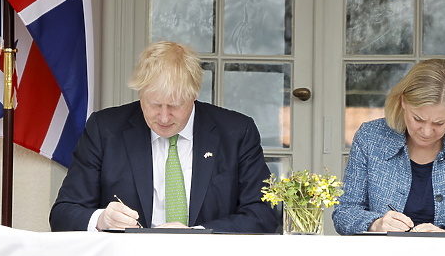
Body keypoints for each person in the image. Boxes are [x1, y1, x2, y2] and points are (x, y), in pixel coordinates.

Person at [50, 41, 278, 233]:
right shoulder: (105, 129)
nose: (164, 117)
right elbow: (63, 213)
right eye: (154, 104)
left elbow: (262, 213)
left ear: (194, 95)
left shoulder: (236, 132)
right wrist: (101, 219)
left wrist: (195, 236)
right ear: (140, 93)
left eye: (175, 106)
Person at [332, 59, 445, 236]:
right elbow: (344, 213)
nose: (426, 131)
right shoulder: (371, 137)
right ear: (403, 102)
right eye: (418, 119)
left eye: (439, 123)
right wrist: (376, 224)